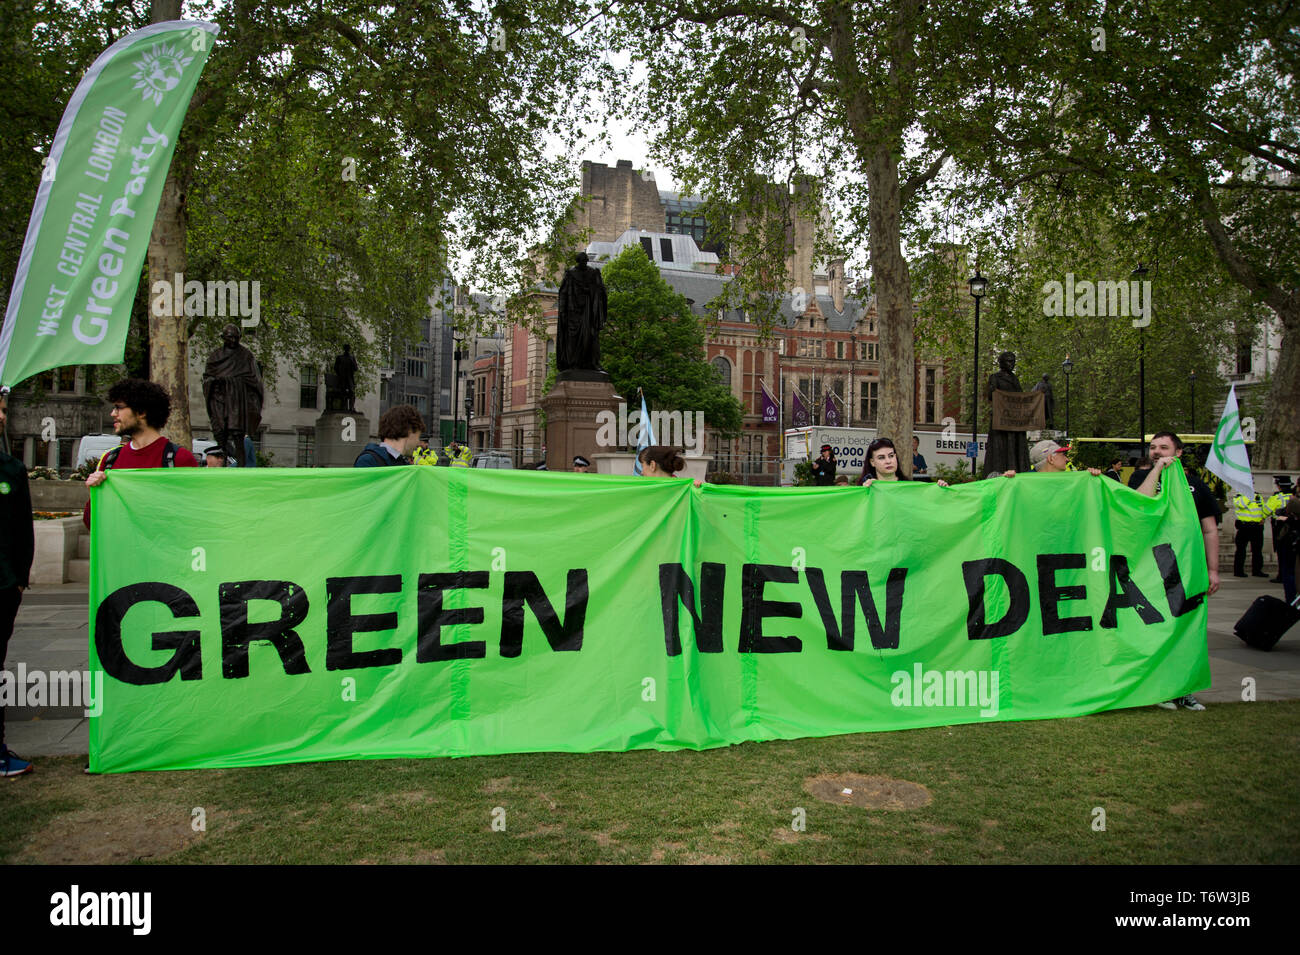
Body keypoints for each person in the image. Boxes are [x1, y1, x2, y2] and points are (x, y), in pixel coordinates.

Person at [1130, 431, 1223, 711]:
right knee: (1157, 629)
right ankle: (1160, 688)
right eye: (1153, 447)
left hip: (1188, 569)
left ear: (1179, 452)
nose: (1157, 451)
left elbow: (1209, 529)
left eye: (1164, 447)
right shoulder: (1141, 478)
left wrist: (1213, 570)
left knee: (1187, 629)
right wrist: (1157, 470)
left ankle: (1185, 689)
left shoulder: (1195, 486)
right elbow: (1139, 504)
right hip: (1151, 570)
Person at [83, 379, 199, 529]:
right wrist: (94, 493)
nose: (113, 414)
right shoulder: (110, 459)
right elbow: (92, 524)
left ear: (141, 412)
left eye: (118, 407)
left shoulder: (179, 459)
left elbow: (193, 519)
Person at [1, 388, 36, 776]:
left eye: (3, 410)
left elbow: (21, 530)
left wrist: (18, 580)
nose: (0, 416)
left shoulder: (11, 469)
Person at [859, 438, 949, 487]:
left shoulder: (910, 487)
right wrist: (865, 493)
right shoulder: (865, 487)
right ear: (872, 462)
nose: (888, 461)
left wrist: (941, 491)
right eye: (881, 458)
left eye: (891, 456)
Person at [354, 405, 424, 467]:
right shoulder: (368, 461)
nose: (418, 443)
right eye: (418, 437)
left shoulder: (404, 463)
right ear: (409, 431)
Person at [1231, 487, 1268, 578]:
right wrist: (1249, 495)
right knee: (1241, 550)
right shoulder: (1239, 496)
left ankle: (1257, 570)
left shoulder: (1258, 496)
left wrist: (1263, 518)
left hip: (1257, 526)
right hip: (1244, 526)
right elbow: (1242, 504)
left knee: (1257, 550)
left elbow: (1262, 508)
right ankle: (1238, 571)